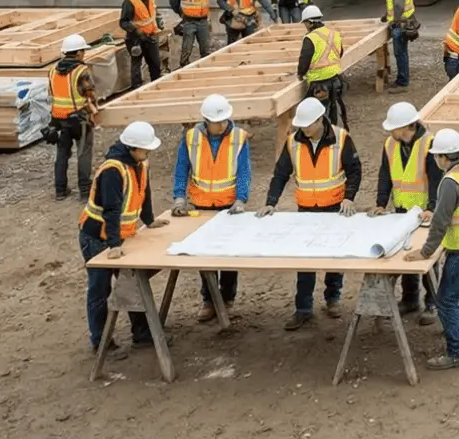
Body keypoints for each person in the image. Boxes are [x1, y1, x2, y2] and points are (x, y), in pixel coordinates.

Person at [260, 98, 361, 330]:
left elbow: (355, 171)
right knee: (305, 261)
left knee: (334, 256)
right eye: (302, 126)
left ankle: (333, 298)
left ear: (320, 119)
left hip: (335, 207)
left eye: (308, 125)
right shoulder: (293, 143)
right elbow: (280, 174)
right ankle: (303, 308)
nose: (304, 129)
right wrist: (271, 202)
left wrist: (349, 197)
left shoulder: (341, 139)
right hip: (306, 209)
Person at [406, 128, 459, 369]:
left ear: (443, 157)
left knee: (445, 299)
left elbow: (440, 222)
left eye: (436, 156)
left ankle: (457, 353)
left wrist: (424, 252)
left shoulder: (450, 182)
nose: (435, 161)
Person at [80, 121, 166, 357]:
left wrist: (149, 220)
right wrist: (114, 244)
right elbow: (111, 209)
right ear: (131, 147)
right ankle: (101, 343)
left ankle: (142, 334)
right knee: (100, 290)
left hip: (121, 236)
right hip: (97, 236)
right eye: (144, 149)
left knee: (132, 282)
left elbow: (144, 192)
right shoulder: (112, 171)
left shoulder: (140, 163)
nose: (148, 153)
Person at [171, 94, 251, 321]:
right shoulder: (190, 138)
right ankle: (209, 299)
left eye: (225, 120)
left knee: (228, 255)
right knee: (204, 255)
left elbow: (244, 171)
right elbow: (181, 168)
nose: (222, 125)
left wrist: (241, 199)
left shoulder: (238, 138)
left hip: (229, 205)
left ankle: (227, 299)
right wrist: (179, 197)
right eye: (218, 121)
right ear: (206, 120)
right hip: (202, 205)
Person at [373, 101, 442, 324]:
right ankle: (410, 299)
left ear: (405, 128)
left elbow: (436, 179)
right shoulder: (390, 144)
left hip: (424, 213)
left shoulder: (429, 144)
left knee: (427, 256)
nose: (390, 132)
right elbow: (385, 174)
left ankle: (433, 303)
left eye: (393, 128)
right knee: (406, 254)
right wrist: (381, 203)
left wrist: (432, 207)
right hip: (402, 210)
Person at [50, 33, 99, 201]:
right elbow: (90, 94)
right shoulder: (81, 71)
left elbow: (52, 94)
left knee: (62, 154)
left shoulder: (53, 71)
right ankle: (85, 191)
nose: (84, 54)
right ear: (77, 53)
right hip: (79, 119)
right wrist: (95, 109)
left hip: (59, 119)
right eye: (83, 51)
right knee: (83, 153)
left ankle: (60, 190)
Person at [296, 5, 347, 128]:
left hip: (319, 82)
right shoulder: (334, 34)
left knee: (310, 109)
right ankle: (333, 127)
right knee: (333, 108)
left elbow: (305, 59)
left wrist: (300, 74)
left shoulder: (310, 38)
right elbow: (340, 53)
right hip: (336, 80)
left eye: (305, 23)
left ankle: (319, 131)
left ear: (309, 23)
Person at [121, 0, 164, 89]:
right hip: (135, 39)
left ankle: (156, 85)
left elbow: (153, 11)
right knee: (136, 64)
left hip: (150, 36)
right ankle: (137, 88)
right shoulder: (129, 2)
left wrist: (159, 22)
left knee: (155, 63)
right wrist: (136, 31)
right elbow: (123, 22)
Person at [171, 0, 215, 67]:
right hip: (189, 21)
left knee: (205, 49)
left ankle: (205, 68)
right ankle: (184, 66)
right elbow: (173, 0)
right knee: (187, 48)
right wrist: (180, 12)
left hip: (203, 21)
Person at [379, 0, 417, 88]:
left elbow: (398, 6)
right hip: (404, 23)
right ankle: (403, 79)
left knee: (400, 53)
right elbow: (394, 5)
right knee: (402, 53)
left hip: (401, 25)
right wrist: (386, 16)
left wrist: (394, 21)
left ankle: (402, 82)